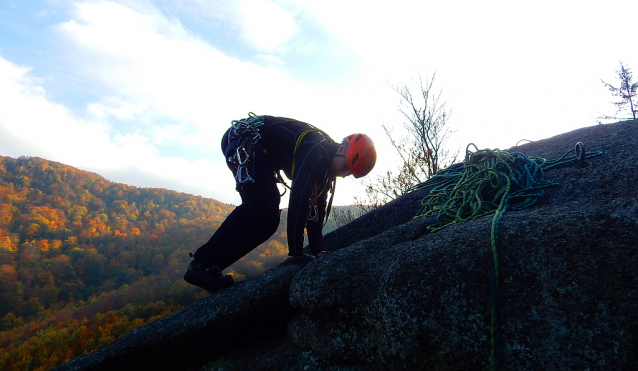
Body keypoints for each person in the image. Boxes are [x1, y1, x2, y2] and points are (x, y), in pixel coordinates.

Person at [184, 114, 376, 294]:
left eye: (348, 174)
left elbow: (316, 207)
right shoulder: (316, 150)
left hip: (256, 147)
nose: (343, 175)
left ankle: (209, 267)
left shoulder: (326, 169)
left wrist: (317, 251)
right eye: (345, 168)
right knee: (264, 203)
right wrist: (297, 253)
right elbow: (299, 198)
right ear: (341, 149)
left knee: (268, 221)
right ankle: (201, 263)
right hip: (246, 139)